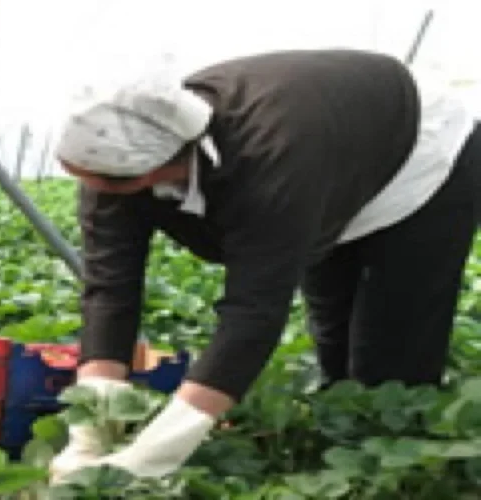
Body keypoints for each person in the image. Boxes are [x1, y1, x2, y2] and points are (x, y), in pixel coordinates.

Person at [50, 49, 481, 480]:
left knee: (392, 355)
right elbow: (110, 290)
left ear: (149, 173)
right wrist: (92, 422)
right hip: (336, 148)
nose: (87, 189)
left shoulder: (270, 163)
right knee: (334, 335)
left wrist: (158, 451)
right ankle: (347, 454)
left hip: (423, 153)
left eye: (93, 181)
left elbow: (254, 311)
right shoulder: (110, 164)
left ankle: (398, 475)